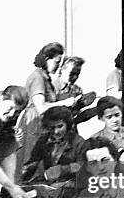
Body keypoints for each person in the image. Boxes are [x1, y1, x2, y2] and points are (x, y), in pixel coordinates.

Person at [15, 42, 79, 179]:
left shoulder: (45, 78)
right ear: (47, 59)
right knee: (29, 161)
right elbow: (41, 106)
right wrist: (65, 103)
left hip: (41, 122)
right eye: (57, 61)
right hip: (33, 121)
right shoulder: (38, 77)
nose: (58, 65)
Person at [20, 106, 85, 198]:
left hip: (71, 187)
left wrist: (61, 170)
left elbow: (83, 166)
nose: (56, 131)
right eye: (52, 128)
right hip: (50, 186)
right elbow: (33, 162)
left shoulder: (78, 142)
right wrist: (23, 175)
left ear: (68, 125)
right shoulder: (43, 140)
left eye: (60, 126)